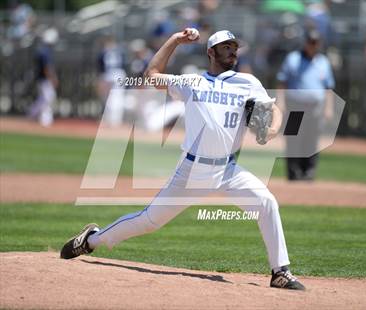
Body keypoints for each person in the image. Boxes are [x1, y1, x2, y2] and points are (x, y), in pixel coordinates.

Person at [60, 29, 305, 290]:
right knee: (149, 221)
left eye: (234, 46)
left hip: (227, 169)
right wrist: (175, 41)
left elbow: (273, 109)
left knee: (266, 202)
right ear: (210, 52)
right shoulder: (192, 82)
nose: (233, 50)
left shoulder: (247, 82)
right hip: (192, 170)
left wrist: (272, 129)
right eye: (226, 47)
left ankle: (280, 272)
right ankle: (91, 240)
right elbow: (151, 75)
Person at [277, 29, 335, 181]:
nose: (313, 45)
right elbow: (282, 82)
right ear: (305, 42)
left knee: (312, 139)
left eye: (316, 43)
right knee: (293, 140)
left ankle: (308, 172)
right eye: (310, 42)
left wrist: (329, 108)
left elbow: (328, 87)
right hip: (294, 105)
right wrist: (280, 103)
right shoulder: (293, 59)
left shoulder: (323, 61)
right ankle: (293, 173)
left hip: (315, 107)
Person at [28, 28, 59, 127]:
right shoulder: (46, 51)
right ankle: (45, 120)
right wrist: (53, 78)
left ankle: (32, 113)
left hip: (41, 78)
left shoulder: (42, 50)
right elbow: (47, 67)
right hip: (45, 79)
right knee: (48, 98)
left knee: (43, 98)